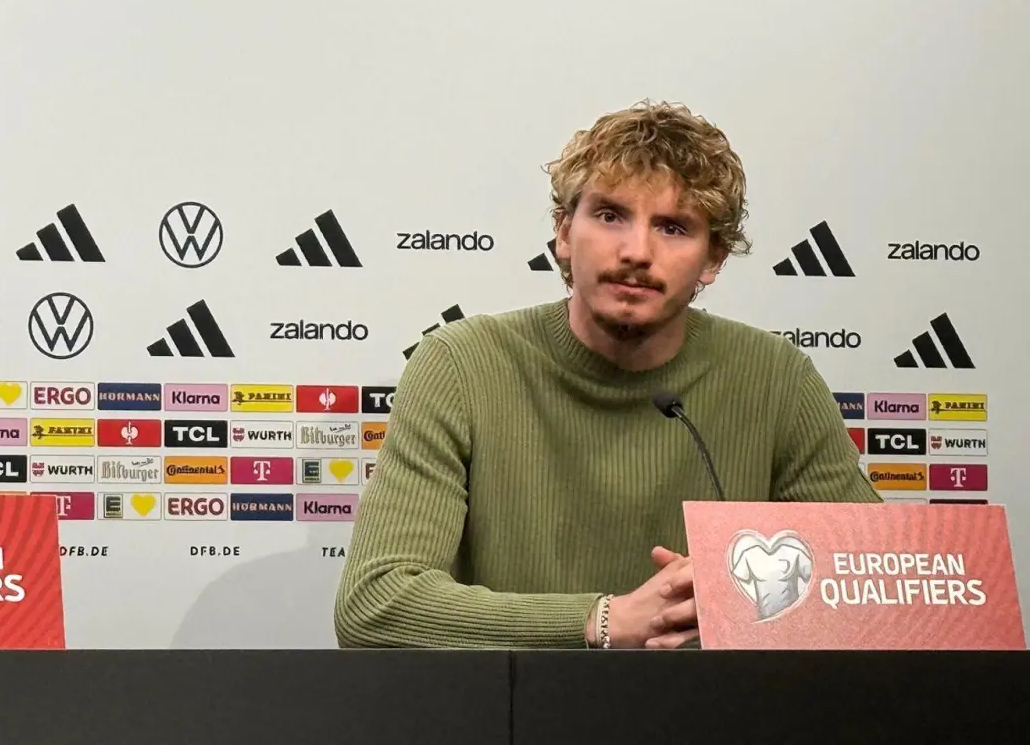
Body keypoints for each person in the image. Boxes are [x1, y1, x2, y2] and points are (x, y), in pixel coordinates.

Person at [334, 100, 878, 651]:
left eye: (673, 227)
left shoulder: (775, 380)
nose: (636, 252)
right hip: (511, 721)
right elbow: (375, 604)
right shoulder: (461, 364)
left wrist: (747, 593)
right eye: (610, 215)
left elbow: (881, 593)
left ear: (712, 259)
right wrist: (602, 620)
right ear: (564, 233)